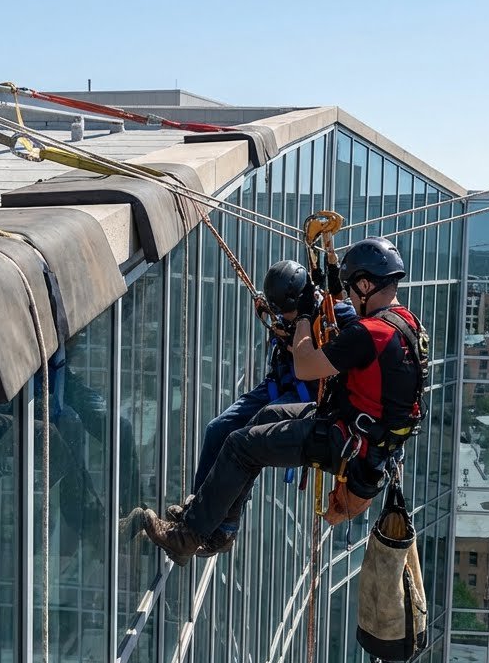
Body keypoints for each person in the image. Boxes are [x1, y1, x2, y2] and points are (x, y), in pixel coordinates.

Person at [143, 237, 427, 565]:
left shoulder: (371, 333)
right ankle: (219, 527)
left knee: (240, 446)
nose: (348, 295)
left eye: (351, 288)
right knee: (262, 420)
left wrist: (304, 316)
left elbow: (305, 367)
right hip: (358, 433)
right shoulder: (407, 323)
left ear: (365, 285)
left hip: (346, 440)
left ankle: (188, 537)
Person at [164, 259, 356, 557]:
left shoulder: (334, 313)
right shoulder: (284, 311)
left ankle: (224, 529)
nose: (281, 316)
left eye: (285, 311)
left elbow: (349, 342)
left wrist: (305, 340)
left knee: (246, 440)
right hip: (279, 385)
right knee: (217, 429)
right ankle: (199, 510)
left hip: (309, 398)